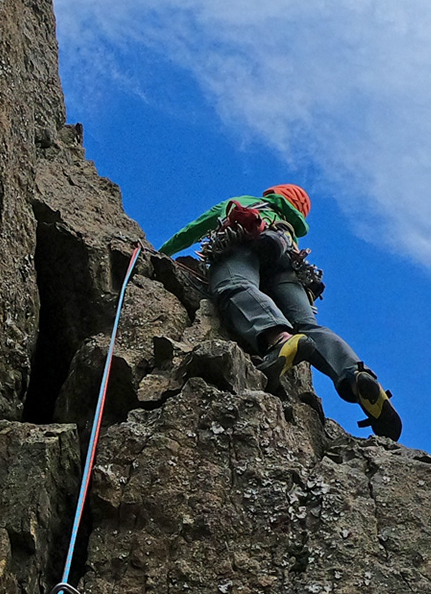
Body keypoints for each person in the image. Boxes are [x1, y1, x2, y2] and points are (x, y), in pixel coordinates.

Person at [158, 184, 401, 440]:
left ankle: (279, 339)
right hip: (289, 264)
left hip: (243, 240)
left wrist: (160, 253)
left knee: (235, 285)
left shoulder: (245, 200)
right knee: (308, 324)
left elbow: (195, 228)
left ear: (271, 193)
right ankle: (354, 374)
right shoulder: (290, 228)